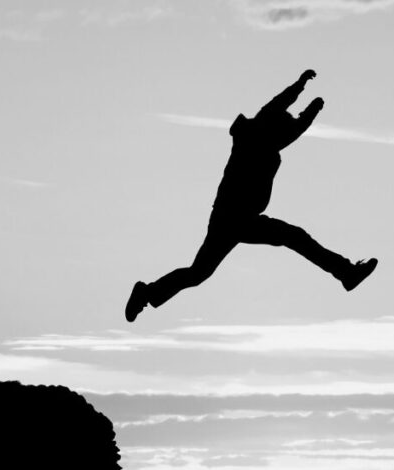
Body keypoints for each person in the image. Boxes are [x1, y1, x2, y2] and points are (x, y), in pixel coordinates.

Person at [125, 70, 377, 321]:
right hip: (237, 217)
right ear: (275, 128)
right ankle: (346, 273)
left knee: (198, 273)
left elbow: (293, 126)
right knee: (294, 237)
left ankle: (147, 293)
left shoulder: (262, 138)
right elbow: (283, 110)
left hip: (228, 217)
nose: (286, 138)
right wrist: (301, 89)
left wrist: (311, 107)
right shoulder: (256, 134)